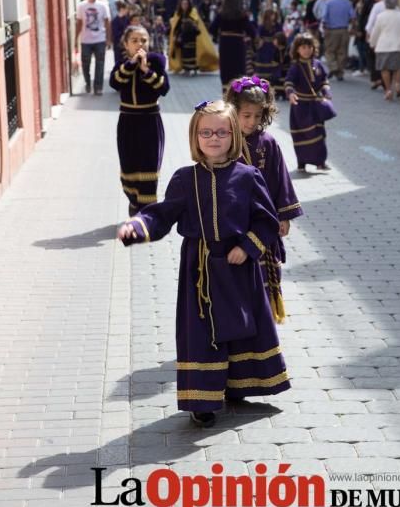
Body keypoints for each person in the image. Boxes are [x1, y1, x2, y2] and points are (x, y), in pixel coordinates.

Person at [118, 100, 291, 428]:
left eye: (222, 132)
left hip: (240, 267)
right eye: (206, 132)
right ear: (195, 137)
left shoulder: (248, 177)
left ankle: (241, 384)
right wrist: (137, 227)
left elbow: (266, 221)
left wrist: (248, 246)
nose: (214, 138)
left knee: (243, 327)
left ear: (234, 136)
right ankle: (203, 399)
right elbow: (162, 214)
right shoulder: (184, 179)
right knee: (203, 332)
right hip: (200, 271)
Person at [225, 76, 303, 323]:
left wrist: (284, 216)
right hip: (233, 222)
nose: (252, 122)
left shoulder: (268, 142)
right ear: (233, 111)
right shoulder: (223, 140)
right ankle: (237, 322)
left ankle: (263, 321)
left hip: (263, 220)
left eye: (257, 116)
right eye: (246, 115)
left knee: (263, 273)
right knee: (236, 272)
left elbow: (280, 179)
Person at [109, 26, 170, 216]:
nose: (139, 44)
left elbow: (164, 88)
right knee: (128, 170)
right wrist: (131, 65)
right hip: (127, 122)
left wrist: (146, 70)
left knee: (149, 169)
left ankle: (147, 214)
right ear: (126, 44)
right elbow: (115, 82)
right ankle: (134, 202)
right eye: (134, 40)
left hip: (150, 121)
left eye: (143, 40)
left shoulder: (157, 62)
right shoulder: (122, 63)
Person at [285, 33, 332, 172]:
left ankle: (320, 163)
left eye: (309, 47)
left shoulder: (318, 65)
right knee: (302, 135)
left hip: (315, 106)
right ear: (297, 49)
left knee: (319, 134)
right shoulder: (295, 67)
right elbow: (289, 83)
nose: (307, 50)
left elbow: (324, 81)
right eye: (303, 47)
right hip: (300, 107)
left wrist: (326, 92)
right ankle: (302, 163)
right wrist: (291, 94)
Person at [369, 0, 400, 101]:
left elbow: (375, 32)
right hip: (399, 45)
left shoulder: (381, 16)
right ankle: (397, 84)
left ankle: (388, 89)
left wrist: (372, 43)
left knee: (385, 68)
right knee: (398, 67)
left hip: (384, 45)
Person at [209, 0, 256, 93]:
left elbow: (212, 29)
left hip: (225, 46)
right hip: (238, 46)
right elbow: (252, 31)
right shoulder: (242, 16)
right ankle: (238, 96)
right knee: (238, 70)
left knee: (227, 71)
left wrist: (219, 35)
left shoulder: (221, 15)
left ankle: (227, 96)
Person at [75, 0, 111, 95]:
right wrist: (76, 38)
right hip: (86, 40)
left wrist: (109, 39)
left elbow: (107, 22)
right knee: (85, 64)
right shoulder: (81, 6)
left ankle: (98, 87)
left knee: (100, 63)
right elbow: (79, 23)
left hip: (100, 39)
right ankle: (87, 82)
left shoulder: (103, 5)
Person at [169, 0, 218, 75]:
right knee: (183, 53)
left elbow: (197, 24)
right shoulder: (178, 14)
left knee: (192, 53)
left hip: (192, 37)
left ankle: (193, 68)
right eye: (183, 4)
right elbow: (176, 25)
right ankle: (185, 68)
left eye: (186, 4)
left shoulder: (193, 13)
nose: (184, 5)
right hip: (182, 38)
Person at [321, 0, 355, 81]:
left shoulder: (328, 3)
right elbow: (353, 17)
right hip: (344, 29)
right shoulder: (348, 3)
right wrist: (352, 27)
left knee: (329, 51)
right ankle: (340, 72)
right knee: (342, 52)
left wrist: (324, 28)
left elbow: (324, 17)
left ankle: (333, 67)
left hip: (331, 30)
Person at [253, 9, 282, 83]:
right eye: (272, 14)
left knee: (273, 61)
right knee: (263, 60)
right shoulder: (262, 25)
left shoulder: (277, 25)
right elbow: (258, 35)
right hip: (264, 47)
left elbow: (281, 34)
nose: (273, 16)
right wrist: (260, 41)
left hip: (274, 46)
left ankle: (272, 78)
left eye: (274, 14)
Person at [351, 0, 368, 75]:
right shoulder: (354, 1)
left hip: (363, 27)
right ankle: (361, 67)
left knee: (363, 48)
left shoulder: (366, 1)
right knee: (359, 47)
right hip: (357, 26)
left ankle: (362, 68)